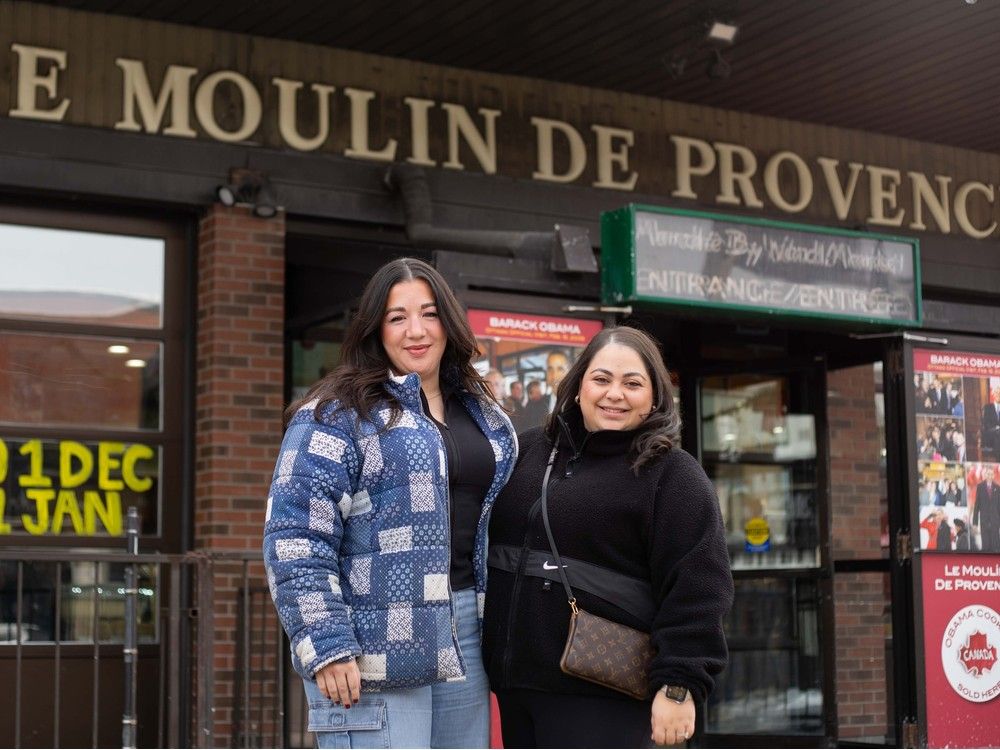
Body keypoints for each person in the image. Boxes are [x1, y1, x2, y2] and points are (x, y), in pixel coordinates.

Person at [263, 258, 517, 749]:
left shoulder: (483, 414)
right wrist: (328, 644)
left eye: (428, 313)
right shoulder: (335, 413)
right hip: (370, 637)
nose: (415, 331)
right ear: (375, 329)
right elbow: (295, 537)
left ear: (449, 320)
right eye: (397, 317)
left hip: (467, 627)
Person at [482, 326, 734, 748]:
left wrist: (679, 685)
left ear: (653, 397)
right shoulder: (528, 452)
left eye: (632, 383)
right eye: (601, 379)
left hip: (604, 695)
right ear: (578, 387)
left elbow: (700, 587)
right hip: (517, 690)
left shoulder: (672, 474)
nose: (614, 393)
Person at [972, 466, 1000, 552]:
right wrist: (975, 523)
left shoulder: (998, 487)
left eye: (991, 474)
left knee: (995, 546)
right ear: (985, 475)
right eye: (988, 474)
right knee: (986, 546)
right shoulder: (980, 487)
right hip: (984, 522)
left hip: (995, 522)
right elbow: (976, 506)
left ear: (994, 475)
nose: (990, 476)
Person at [982, 390, 1000, 459]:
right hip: (991, 432)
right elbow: (985, 422)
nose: (998, 395)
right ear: (993, 395)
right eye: (997, 394)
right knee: (997, 435)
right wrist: (995, 428)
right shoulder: (988, 407)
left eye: (999, 394)